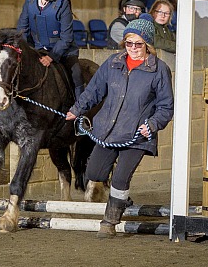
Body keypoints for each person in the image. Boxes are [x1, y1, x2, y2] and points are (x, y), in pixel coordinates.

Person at [66, 13, 174, 238]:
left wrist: (152, 124)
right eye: (129, 43)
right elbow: (94, 91)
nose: (133, 47)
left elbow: (166, 107)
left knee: (120, 178)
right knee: (93, 173)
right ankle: (122, 198)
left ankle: (110, 221)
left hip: (138, 135)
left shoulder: (159, 70)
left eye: (138, 43)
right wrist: (76, 109)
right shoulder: (112, 63)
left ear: (147, 44)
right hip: (108, 130)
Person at [17, 0, 84, 99]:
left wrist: (51, 56)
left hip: (62, 52)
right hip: (36, 49)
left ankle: (80, 112)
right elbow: (22, 28)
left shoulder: (63, 3)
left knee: (76, 74)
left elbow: (66, 38)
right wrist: (24, 50)